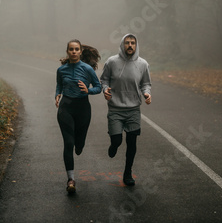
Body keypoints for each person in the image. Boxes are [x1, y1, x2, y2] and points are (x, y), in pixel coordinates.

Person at [100, 33, 151, 186]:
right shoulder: (111, 62)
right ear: (122, 45)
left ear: (136, 45)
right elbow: (104, 79)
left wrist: (147, 93)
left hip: (134, 109)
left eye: (132, 43)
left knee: (132, 142)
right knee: (117, 140)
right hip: (115, 109)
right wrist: (105, 89)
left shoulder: (143, 64)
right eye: (127, 43)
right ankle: (114, 145)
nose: (130, 45)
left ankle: (127, 173)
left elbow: (146, 83)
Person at [55, 39, 101, 194]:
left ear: (81, 52)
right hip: (65, 108)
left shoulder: (87, 69)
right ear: (67, 52)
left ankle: (79, 145)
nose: (73, 52)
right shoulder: (61, 70)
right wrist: (57, 94)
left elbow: (98, 87)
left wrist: (88, 91)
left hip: (83, 108)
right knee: (68, 142)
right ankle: (70, 179)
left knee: (78, 144)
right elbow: (59, 85)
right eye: (71, 49)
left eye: (76, 49)